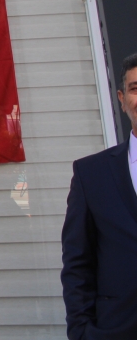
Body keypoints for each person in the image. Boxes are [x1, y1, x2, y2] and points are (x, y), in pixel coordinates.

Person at [60, 53, 137, 339]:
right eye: (135, 88)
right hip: (118, 329)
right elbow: (77, 264)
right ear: (122, 99)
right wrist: (81, 332)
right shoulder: (91, 174)